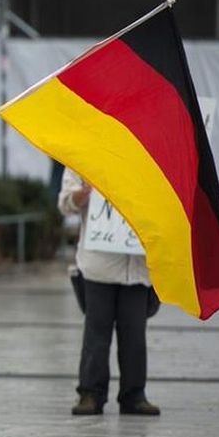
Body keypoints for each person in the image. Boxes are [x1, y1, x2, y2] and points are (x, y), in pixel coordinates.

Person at [57, 168, 160, 416]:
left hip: (136, 267)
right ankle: (90, 393)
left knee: (134, 334)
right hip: (97, 265)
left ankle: (134, 394)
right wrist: (83, 194)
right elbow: (65, 203)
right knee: (96, 332)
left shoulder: (147, 159)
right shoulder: (82, 156)